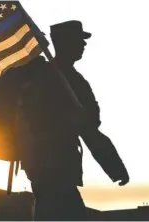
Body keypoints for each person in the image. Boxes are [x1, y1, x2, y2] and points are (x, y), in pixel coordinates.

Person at [14, 20, 130, 221]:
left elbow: (88, 127)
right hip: (50, 166)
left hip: (52, 167)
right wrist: (114, 166)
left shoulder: (69, 79)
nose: (84, 45)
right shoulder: (50, 78)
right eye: (79, 40)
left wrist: (113, 166)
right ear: (65, 42)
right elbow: (84, 129)